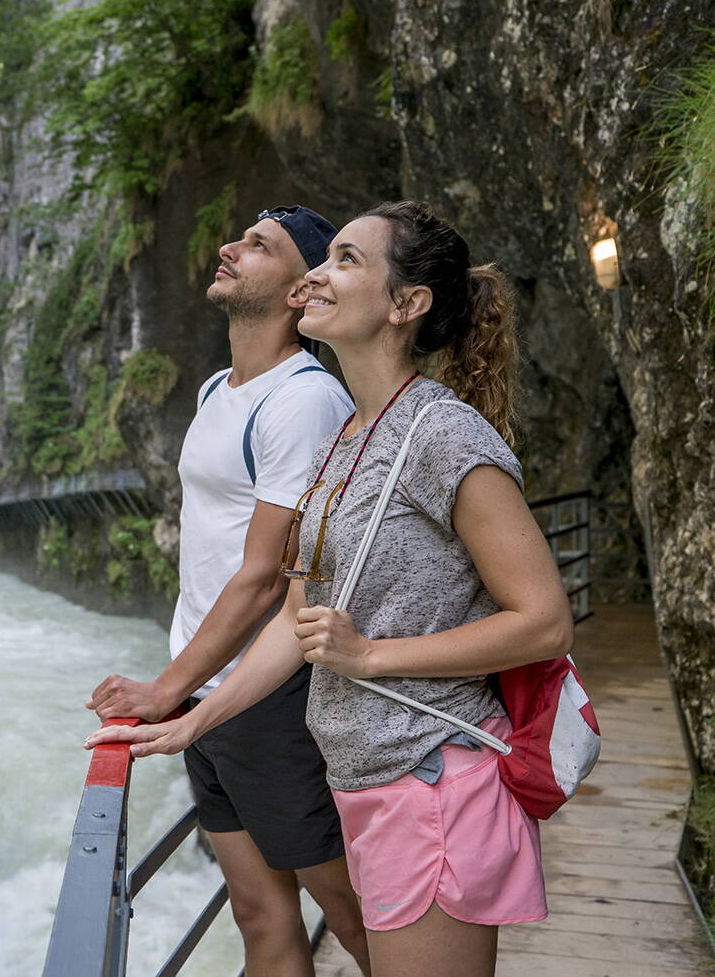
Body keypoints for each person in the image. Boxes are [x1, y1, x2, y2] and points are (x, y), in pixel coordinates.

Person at [86, 200, 574, 977]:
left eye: (346, 260)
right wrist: (191, 718)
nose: (317, 273)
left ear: (405, 305)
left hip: (433, 777)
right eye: (325, 257)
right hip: (367, 780)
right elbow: (296, 614)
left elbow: (544, 622)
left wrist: (372, 656)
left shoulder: (443, 434)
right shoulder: (350, 436)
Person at [86, 205, 371, 975]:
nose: (229, 249)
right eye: (239, 238)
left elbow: (262, 578)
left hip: (269, 696)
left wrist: (163, 690)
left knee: (348, 912)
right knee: (257, 910)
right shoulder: (220, 387)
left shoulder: (306, 400)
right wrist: (183, 687)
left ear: (298, 292)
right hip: (204, 688)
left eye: (258, 246)